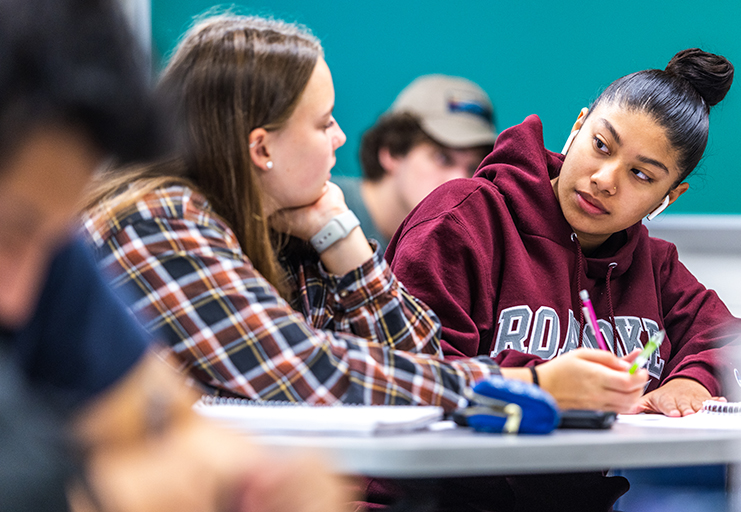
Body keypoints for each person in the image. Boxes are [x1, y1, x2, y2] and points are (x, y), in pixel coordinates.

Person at [81, 14, 647, 420]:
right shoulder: (159, 226)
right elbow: (308, 374)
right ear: (261, 149)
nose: (340, 137)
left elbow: (419, 358)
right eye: (324, 122)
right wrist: (532, 384)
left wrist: (343, 240)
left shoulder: (290, 224)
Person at [386, 49, 741, 510]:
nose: (605, 179)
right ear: (577, 128)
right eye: (601, 145)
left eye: (640, 174)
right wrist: (545, 383)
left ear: (669, 196)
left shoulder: (652, 265)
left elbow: (736, 345)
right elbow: (405, 377)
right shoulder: (463, 219)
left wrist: (693, 381)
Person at [0, 0, 349, 510]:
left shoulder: (50, 254)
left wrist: (258, 482)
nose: (19, 296)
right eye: (10, 232)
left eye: (47, 235)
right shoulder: (158, 218)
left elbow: (166, 418)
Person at [333, 74, 497, 247]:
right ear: (393, 152)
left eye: (474, 167)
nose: (462, 180)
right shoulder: (315, 215)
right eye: (443, 158)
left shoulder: (456, 247)